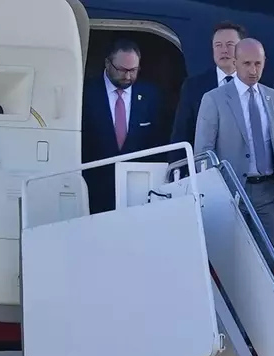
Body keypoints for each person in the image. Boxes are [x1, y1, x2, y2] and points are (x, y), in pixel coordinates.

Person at [194, 38, 274, 256]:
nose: (253, 70)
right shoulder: (214, 99)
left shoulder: (273, 97)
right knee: (233, 260)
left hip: (268, 192)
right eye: (246, 64)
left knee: (272, 259)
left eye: (257, 64)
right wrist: (215, 191)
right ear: (234, 63)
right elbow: (203, 154)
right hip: (231, 191)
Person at [81, 39, 162, 214]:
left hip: (137, 192)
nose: (127, 76)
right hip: (93, 191)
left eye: (133, 70)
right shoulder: (85, 93)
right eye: (122, 70)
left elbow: (157, 142)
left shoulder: (151, 96)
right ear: (107, 64)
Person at [170, 21, 247, 164]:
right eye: (218, 45)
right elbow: (181, 135)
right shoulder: (194, 87)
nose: (224, 50)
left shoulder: (257, 86)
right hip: (208, 172)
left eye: (230, 45)